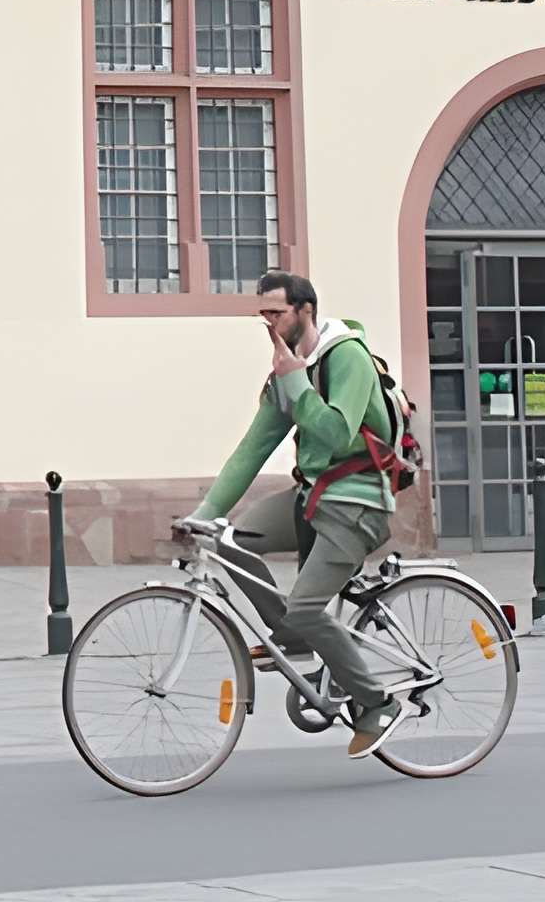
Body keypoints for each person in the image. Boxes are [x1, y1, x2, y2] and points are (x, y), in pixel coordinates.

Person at [189, 268, 418, 757]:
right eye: (262, 316)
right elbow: (251, 450)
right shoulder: (287, 374)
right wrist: (204, 514)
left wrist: (297, 382)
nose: (269, 324)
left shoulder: (347, 357)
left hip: (358, 503)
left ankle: (377, 704)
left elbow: (337, 432)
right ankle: (293, 638)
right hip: (313, 497)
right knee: (233, 540)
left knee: (308, 606)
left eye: (277, 312)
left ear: (305, 311)